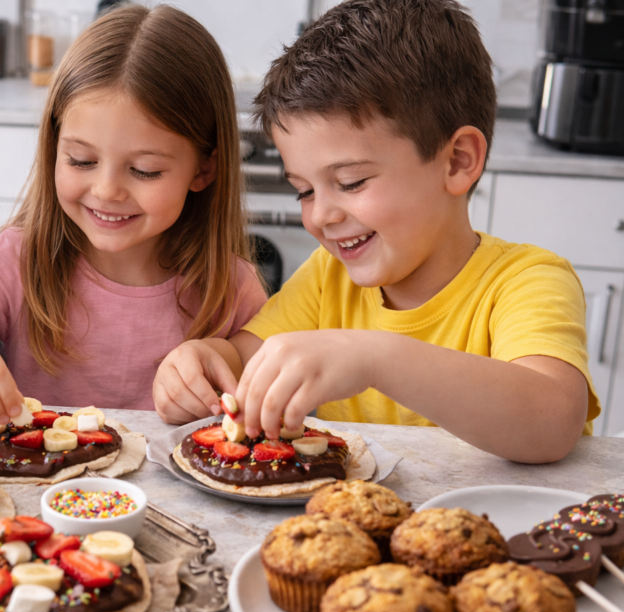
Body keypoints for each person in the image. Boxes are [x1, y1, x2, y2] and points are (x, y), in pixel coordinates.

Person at [153, 0, 599, 464]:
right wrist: (203, 362)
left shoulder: (528, 280)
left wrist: (374, 358)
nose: (321, 216)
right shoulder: (329, 277)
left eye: (351, 183)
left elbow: (551, 423)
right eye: (304, 191)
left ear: (457, 161)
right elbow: (245, 361)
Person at [0, 4, 266, 420]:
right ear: (54, 149)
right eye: (81, 160)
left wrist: (222, 356)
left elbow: (277, 380)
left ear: (204, 169)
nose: (107, 191)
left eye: (144, 170)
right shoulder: (20, 261)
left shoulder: (231, 288)